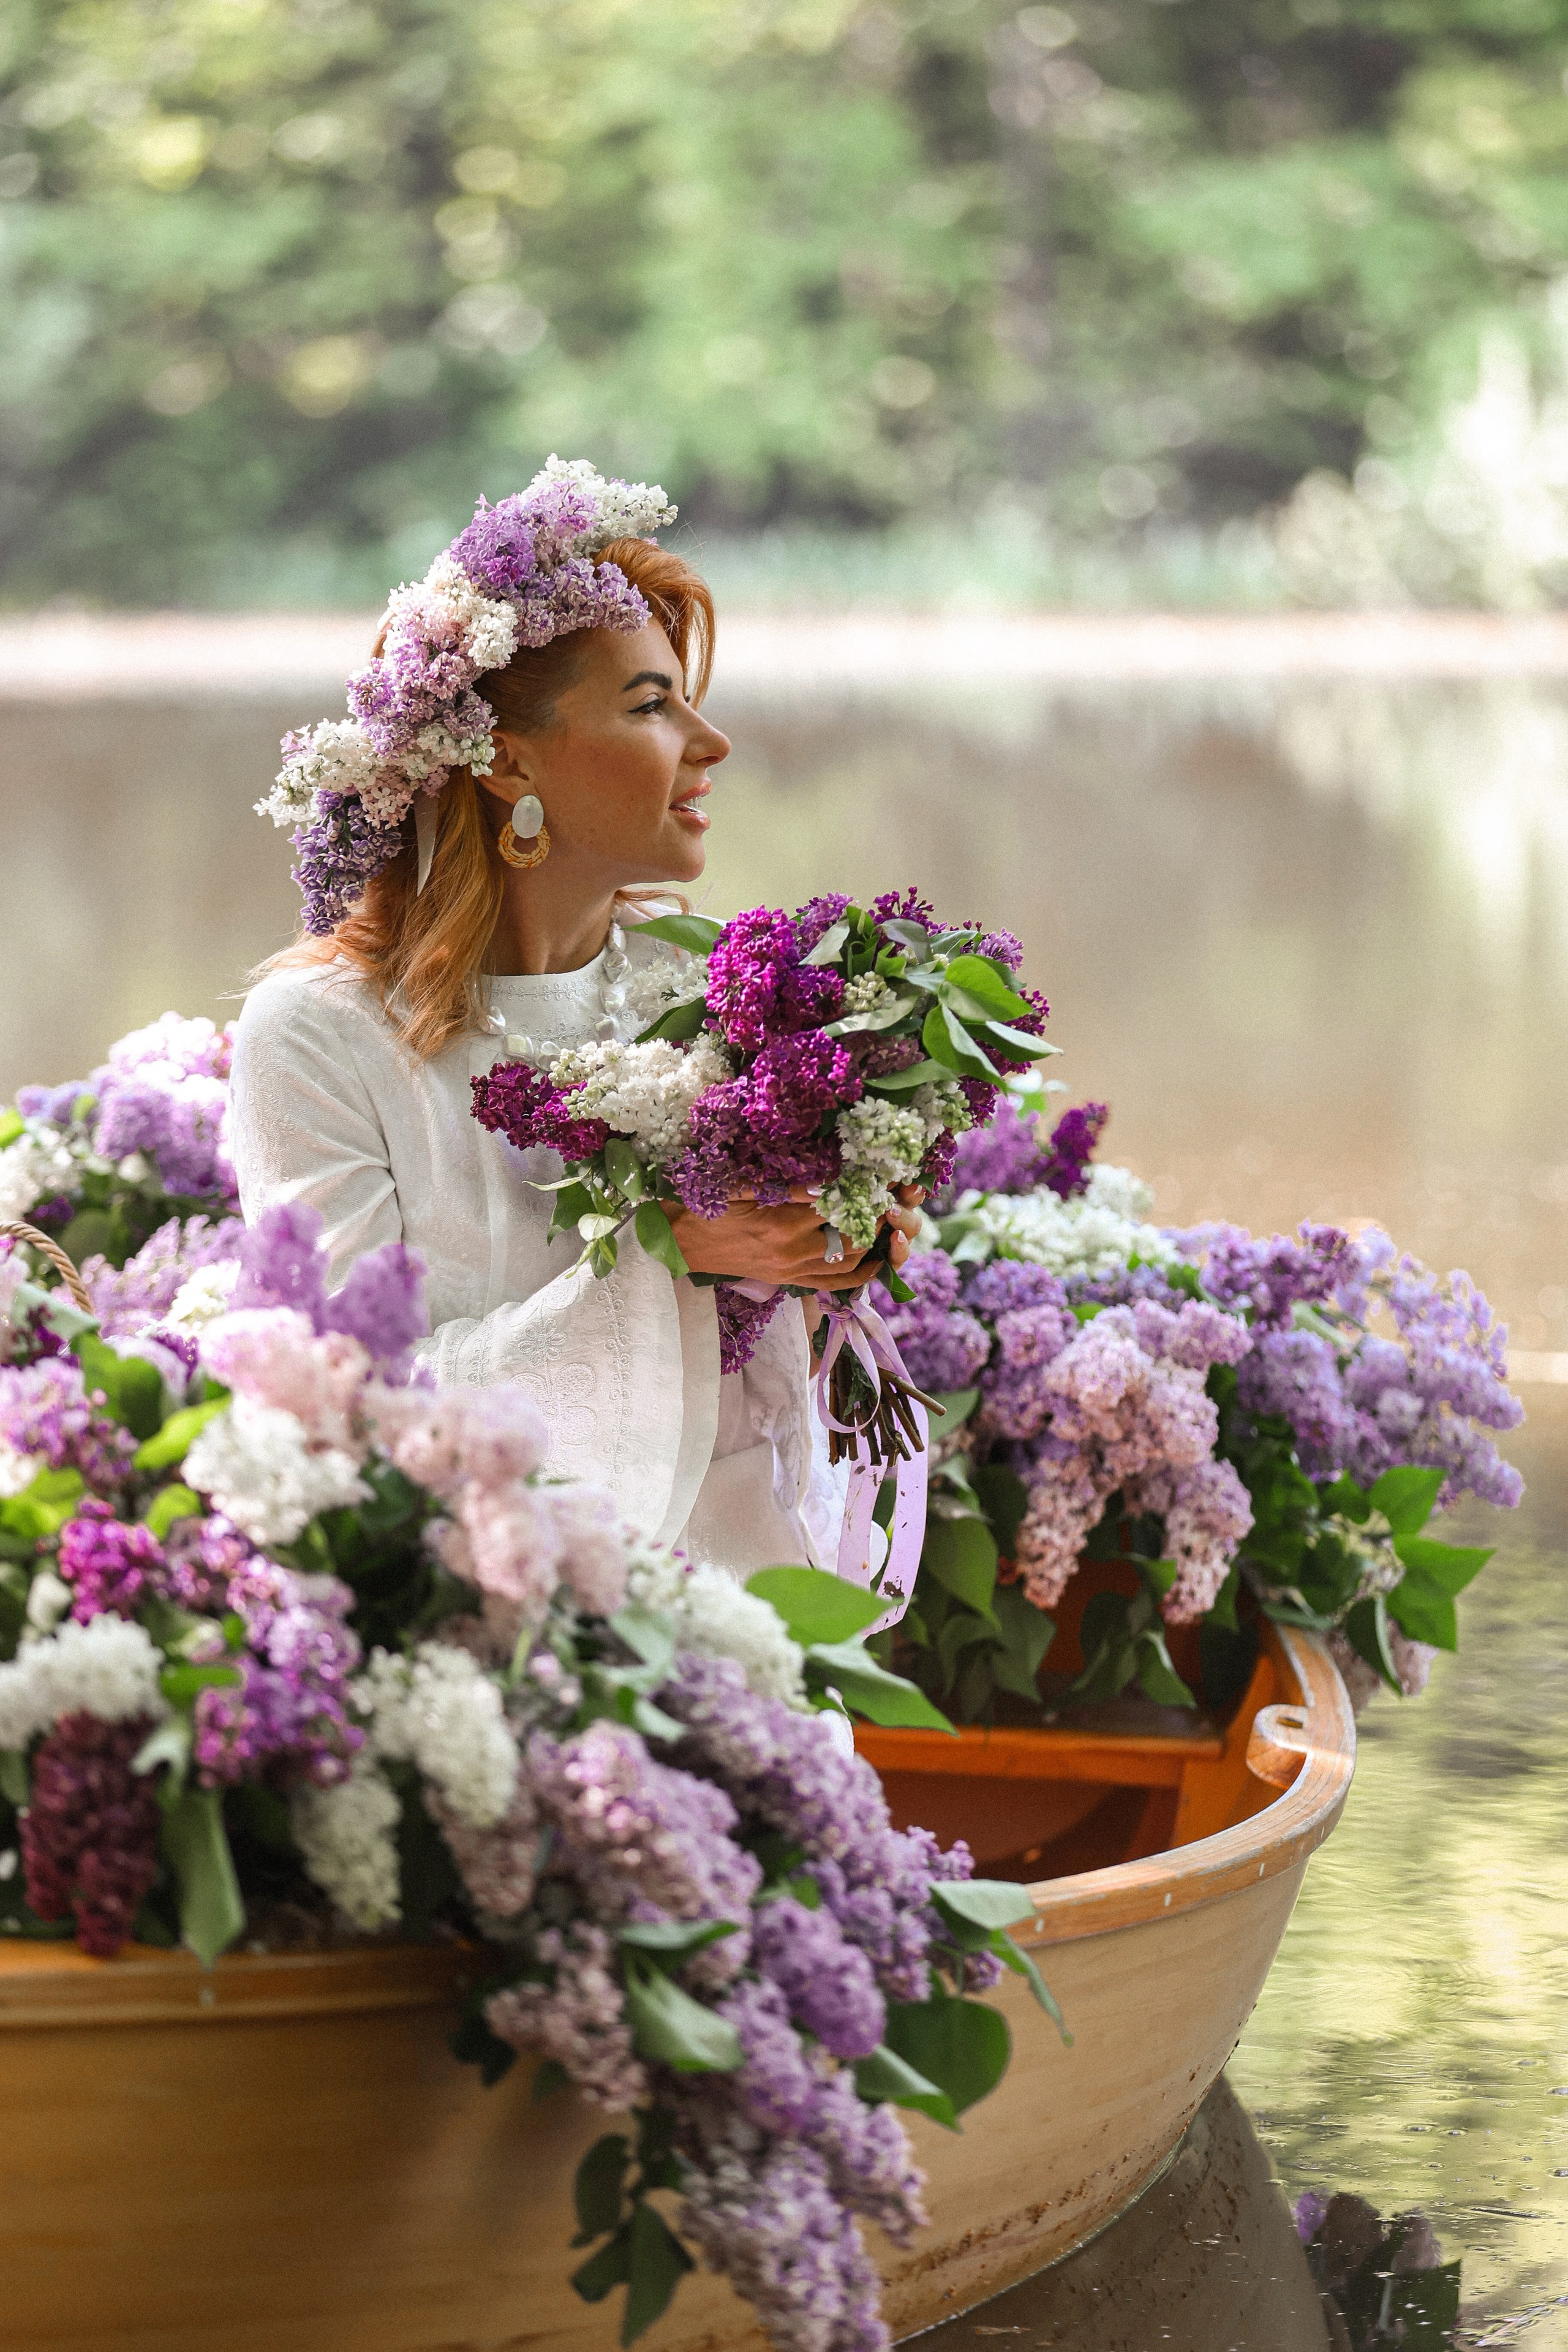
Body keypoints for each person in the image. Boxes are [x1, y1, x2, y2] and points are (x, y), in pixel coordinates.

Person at [230, 457, 919, 1577]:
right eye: (652, 704)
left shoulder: (710, 993)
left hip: (750, 1588)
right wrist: (669, 1256)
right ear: (506, 760)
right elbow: (345, 1405)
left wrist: (830, 1235)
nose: (711, 742)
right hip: (489, 1613)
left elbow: (761, 1352)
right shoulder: (315, 1035)